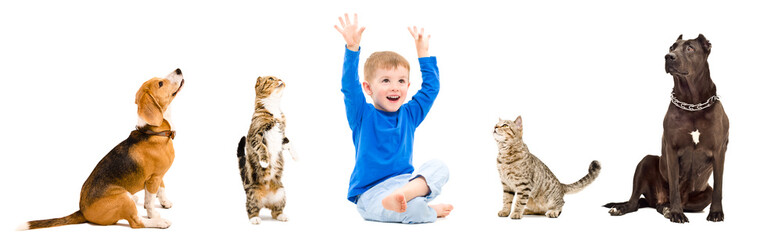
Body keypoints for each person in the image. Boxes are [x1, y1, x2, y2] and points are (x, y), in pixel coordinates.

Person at [334, 13, 453, 224]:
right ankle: (427, 210)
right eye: (386, 81)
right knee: (416, 211)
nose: (394, 87)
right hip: (371, 194)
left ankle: (410, 198)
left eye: (401, 81)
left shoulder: (409, 114)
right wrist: (352, 49)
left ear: (408, 87)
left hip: (404, 185)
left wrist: (423, 53)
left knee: (440, 167)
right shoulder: (362, 114)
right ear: (368, 88)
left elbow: (431, 89)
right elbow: (349, 88)